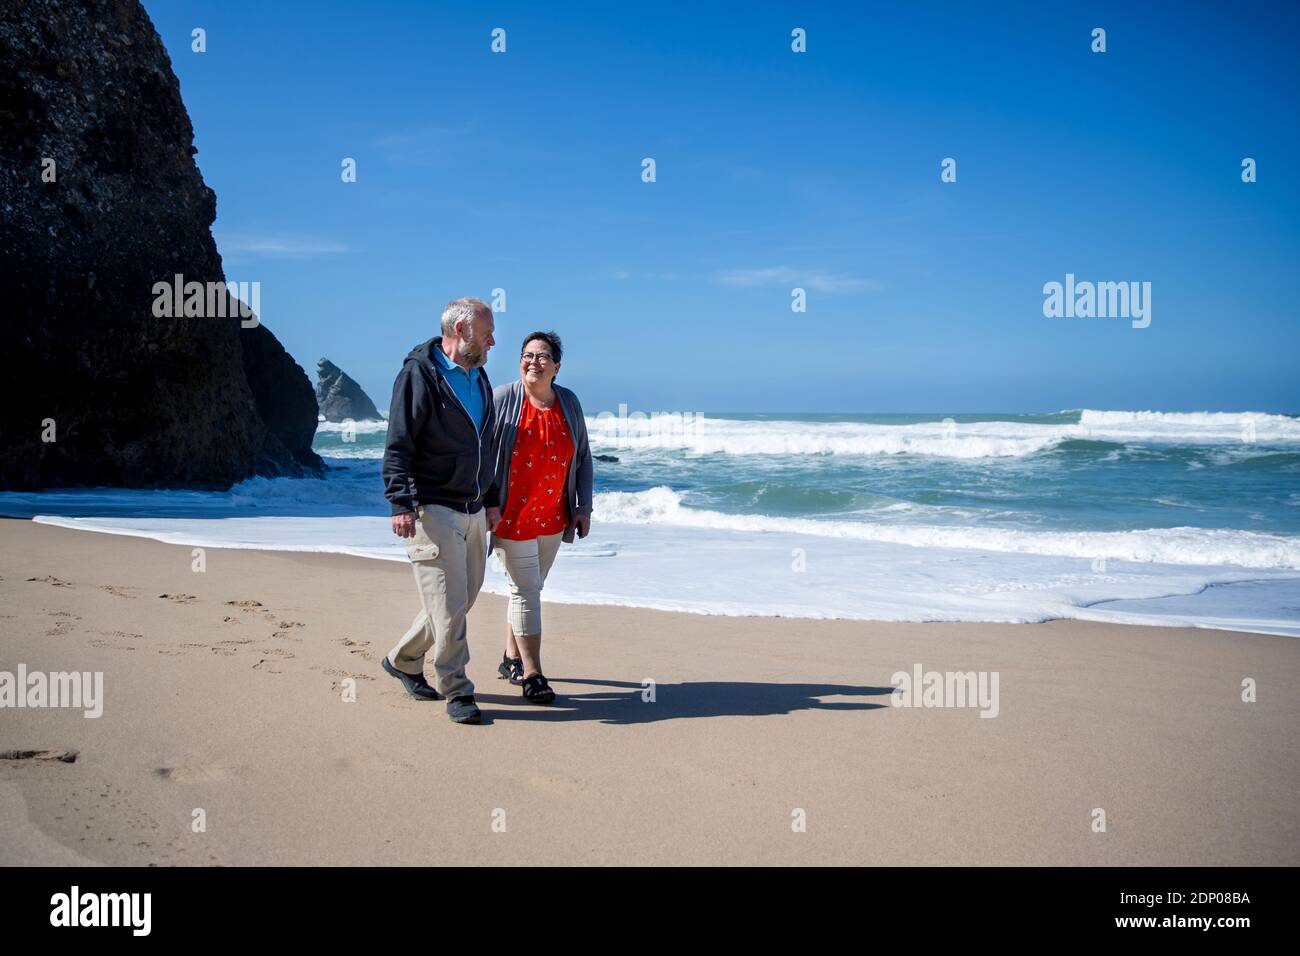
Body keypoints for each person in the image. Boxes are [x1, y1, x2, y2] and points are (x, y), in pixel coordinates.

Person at [380, 297, 500, 724]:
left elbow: (487, 445)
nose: (493, 340)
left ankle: (402, 659)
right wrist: (400, 502)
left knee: (461, 599)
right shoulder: (419, 375)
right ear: (461, 330)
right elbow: (399, 442)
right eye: (486, 332)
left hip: (472, 506)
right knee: (448, 606)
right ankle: (457, 689)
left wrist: (493, 499)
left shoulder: (479, 376)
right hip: (431, 507)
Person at [487, 330, 593, 704]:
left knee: (528, 590)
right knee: (526, 592)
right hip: (511, 517)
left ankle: (510, 657)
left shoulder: (569, 402)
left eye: (542, 356)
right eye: (527, 355)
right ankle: (533, 673)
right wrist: (486, 501)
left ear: (557, 367)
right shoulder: (503, 398)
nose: (534, 361)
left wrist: (582, 508)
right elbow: (480, 451)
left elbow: (583, 458)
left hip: (553, 517)